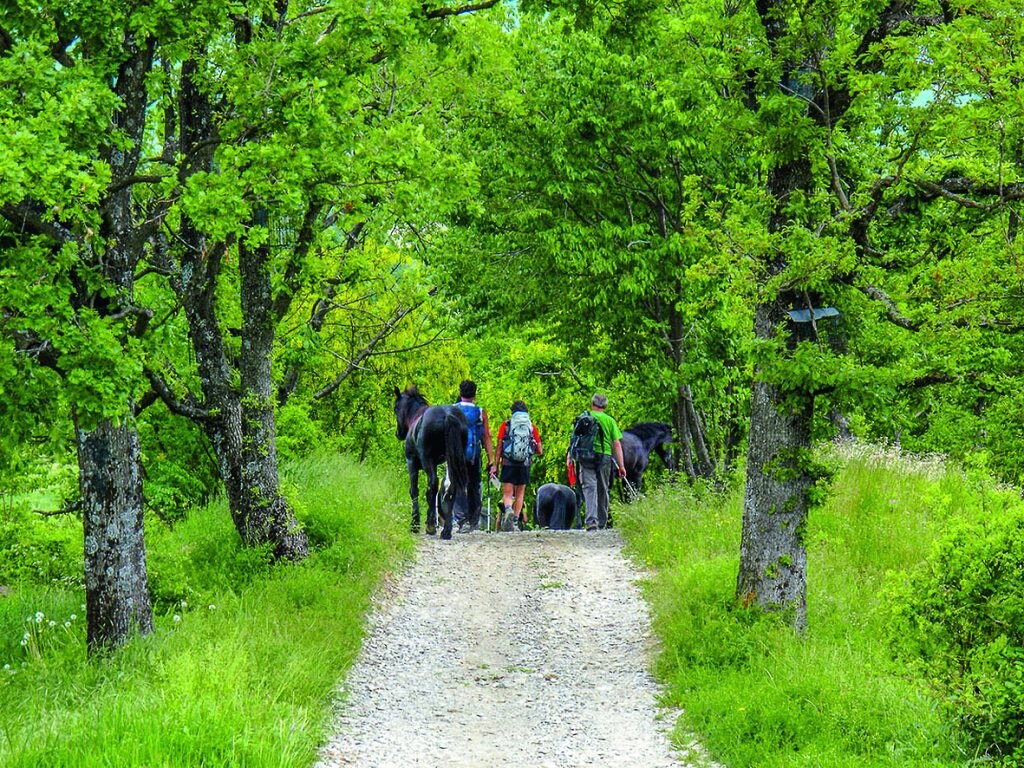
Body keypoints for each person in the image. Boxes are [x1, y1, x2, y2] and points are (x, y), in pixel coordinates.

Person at [566, 393, 625, 531]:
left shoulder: (583, 417)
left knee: (589, 488)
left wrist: (570, 457)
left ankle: (591, 521)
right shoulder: (609, 420)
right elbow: (616, 444)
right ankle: (602, 522)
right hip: (604, 456)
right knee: (603, 488)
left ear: (592, 404)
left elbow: (574, 440)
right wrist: (621, 466)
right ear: (605, 406)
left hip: (585, 456)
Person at [452, 380, 495, 534]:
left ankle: (460, 520)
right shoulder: (480, 412)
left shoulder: (452, 410)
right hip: (474, 454)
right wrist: (491, 460)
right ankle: (474, 521)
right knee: (474, 486)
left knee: (458, 485)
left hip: (456, 455)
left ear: (460, 393)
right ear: (474, 394)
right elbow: (487, 437)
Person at [494, 400, 542, 531]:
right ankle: (514, 522)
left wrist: (495, 465)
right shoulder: (531, 427)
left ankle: (508, 509)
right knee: (520, 494)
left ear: (513, 412)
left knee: (508, 493)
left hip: (508, 463)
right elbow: (540, 450)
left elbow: (499, 446)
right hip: (524, 464)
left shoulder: (506, 425)